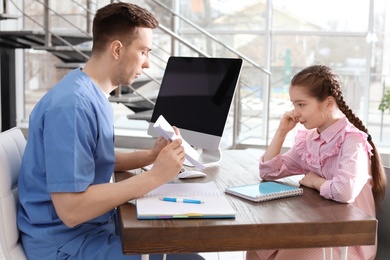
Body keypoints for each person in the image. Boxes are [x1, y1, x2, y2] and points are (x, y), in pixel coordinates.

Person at [17, 3, 204, 260]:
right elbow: (71, 210)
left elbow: (93, 159)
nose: (148, 64)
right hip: (66, 245)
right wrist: (154, 177)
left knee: (181, 245)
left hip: (90, 230)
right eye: (143, 52)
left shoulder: (90, 93)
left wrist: (150, 156)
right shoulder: (71, 107)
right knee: (187, 258)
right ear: (117, 49)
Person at [246, 65, 387, 260]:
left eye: (301, 104)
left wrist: (315, 181)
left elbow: (344, 191)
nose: (295, 112)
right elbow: (269, 172)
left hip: (347, 238)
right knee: (255, 248)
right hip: (317, 225)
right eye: (294, 104)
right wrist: (281, 132)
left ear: (328, 104)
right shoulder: (309, 139)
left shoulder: (352, 140)